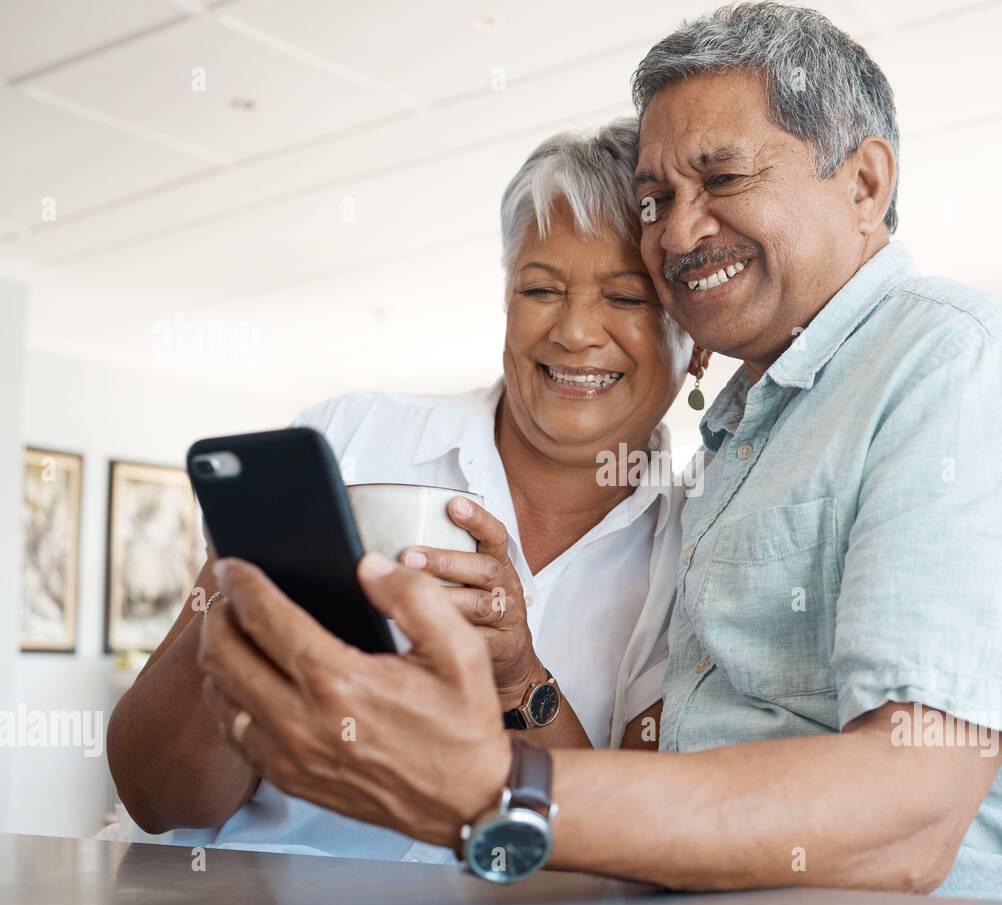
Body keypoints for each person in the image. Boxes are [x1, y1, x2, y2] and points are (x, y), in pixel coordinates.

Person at [195, 3, 1002, 905]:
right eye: (654, 197)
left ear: (864, 182)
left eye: (721, 178)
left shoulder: (959, 366)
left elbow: (910, 812)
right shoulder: (747, 428)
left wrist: (492, 788)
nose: (677, 232)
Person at [106, 118, 707, 861]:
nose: (576, 331)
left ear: (695, 336)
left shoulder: (698, 545)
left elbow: (627, 853)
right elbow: (155, 795)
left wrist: (521, 681)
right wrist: (248, 626)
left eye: (625, 298)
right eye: (541, 287)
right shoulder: (347, 443)